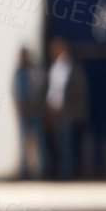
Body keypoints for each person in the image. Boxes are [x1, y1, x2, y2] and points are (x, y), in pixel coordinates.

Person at [44, 38, 87, 180]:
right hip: (54, 113)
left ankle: (67, 174)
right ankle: (58, 172)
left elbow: (76, 91)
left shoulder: (71, 68)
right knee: (57, 145)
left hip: (68, 113)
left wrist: (65, 106)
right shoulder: (54, 68)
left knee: (67, 145)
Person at [13, 48, 42, 179]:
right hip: (23, 112)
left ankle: (40, 171)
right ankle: (25, 170)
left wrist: (34, 104)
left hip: (34, 111)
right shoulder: (19, 72)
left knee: (38, 142)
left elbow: (39, 88)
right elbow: (16, 90)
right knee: (24, 142)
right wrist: (20, 104)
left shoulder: (34, 71)